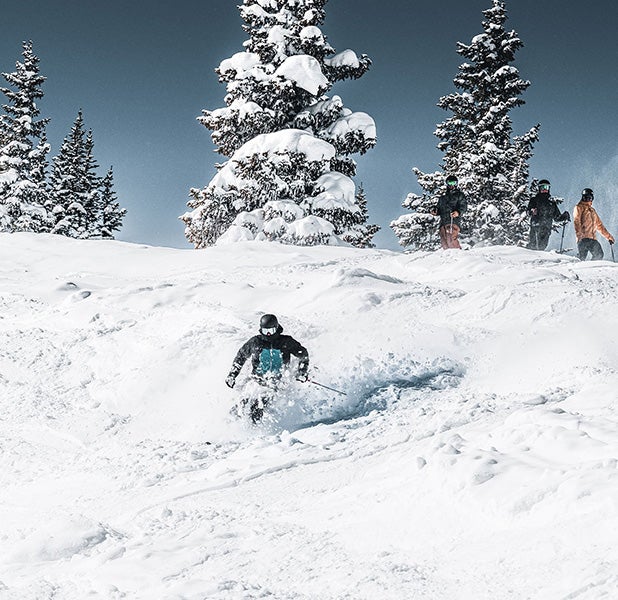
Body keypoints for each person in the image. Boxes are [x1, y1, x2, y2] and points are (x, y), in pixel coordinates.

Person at [225, 314, 309, 422]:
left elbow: (303, 354)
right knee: (242, 403)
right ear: (261, 329)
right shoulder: (255, 342)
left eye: (271, 330)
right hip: (256, 380)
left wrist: (302, 372)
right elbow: (240, 357)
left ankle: (257, 433)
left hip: (276, 382)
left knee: (257, 406)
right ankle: (229, 425)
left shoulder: (285, 342)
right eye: (265, 331)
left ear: (277, 328)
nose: (268, 334)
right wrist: (232, 375)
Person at [527, 179, 570, 251]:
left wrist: (564, 216)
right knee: (533, 246)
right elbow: (528, 211)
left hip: (546, 228)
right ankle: (524, 256)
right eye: (542, 187)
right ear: (539, 188)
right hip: (536, 226)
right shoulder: (534, 199)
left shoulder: (551, 203)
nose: (544, 189)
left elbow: (556, 217)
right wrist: (532, 211)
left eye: (546, 187)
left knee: (542, 246)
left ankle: (536, 260)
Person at [573, 188, 614, 260]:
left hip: (592, 239)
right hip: (583, 239)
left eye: (590, 197)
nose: (588, 199)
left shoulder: (592, 211)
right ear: (583, 197)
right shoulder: (579, 207)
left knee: (599, 254)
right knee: (582, 257)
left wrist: (609, 237)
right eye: (586, 197)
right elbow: (577, 221)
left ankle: (591, 269)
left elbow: (599, 226)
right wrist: (579, 236)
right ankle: (573, 267)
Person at [432, 175, 467, 249]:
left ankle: (458, 254)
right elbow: (438, 208)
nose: (451, 185)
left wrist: (458, 212)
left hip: (453, 220)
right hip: (443, 222)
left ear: (456, 184)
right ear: (447, 184)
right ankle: (449, 258)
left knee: (451, 239)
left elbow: (463, 206)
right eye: (449, 183)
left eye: (453, 183)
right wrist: (435, 211)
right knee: (444, 242)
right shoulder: (442, 198)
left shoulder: (459, 195)